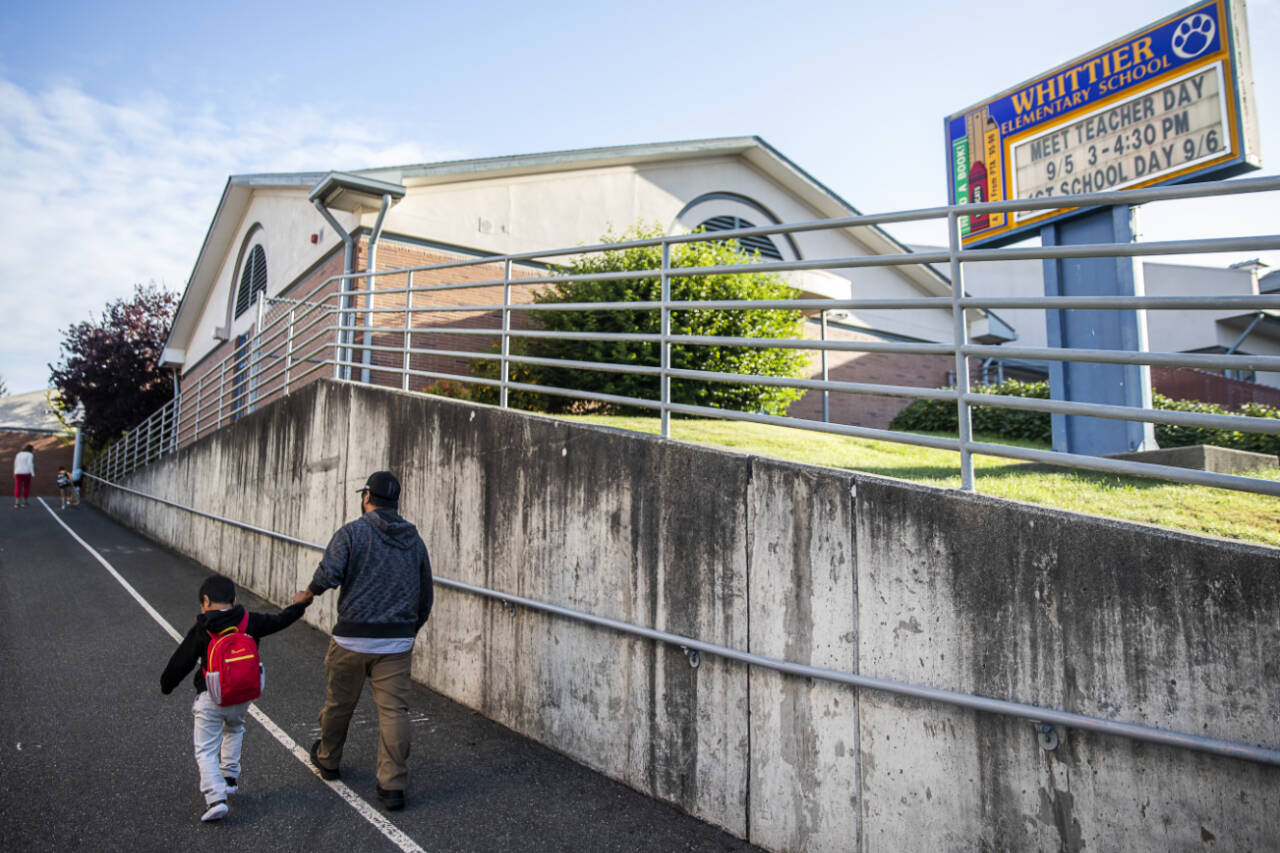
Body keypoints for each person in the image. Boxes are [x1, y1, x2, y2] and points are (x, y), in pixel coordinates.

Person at [298, 471, 433, 812]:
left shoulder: (353, 532)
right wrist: (408, 631)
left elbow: (329, 573)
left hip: (352, 639)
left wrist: (308, 594)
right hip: (396, 643)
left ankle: (328, 760)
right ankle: (393, 787)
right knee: (394, 713)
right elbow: (425, 595)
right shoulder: (414, 540)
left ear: (367, 497)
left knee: (339, 704)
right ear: (396, 502)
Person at [161, 574, 312, 822]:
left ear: (206, 600)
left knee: (206, 750)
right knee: (234, 728)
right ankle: (229, 778)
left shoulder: (203, 628)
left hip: (212, 697)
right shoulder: (249, 620)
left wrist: (166, 685)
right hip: (242, 697)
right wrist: (299, 605)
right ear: (234, 599)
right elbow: (280, 620)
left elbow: (181, 661)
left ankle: (215, 798)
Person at [13, 444, 34, 508]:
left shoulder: (18, 454)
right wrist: (32, 473)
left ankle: (16, 503)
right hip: (26, 472)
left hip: (18, 472)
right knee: (26, 487)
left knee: (17, 487)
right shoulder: (30, 455)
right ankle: (24, 502)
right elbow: (30, 464)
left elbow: (15, 463)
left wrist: (14, 472)